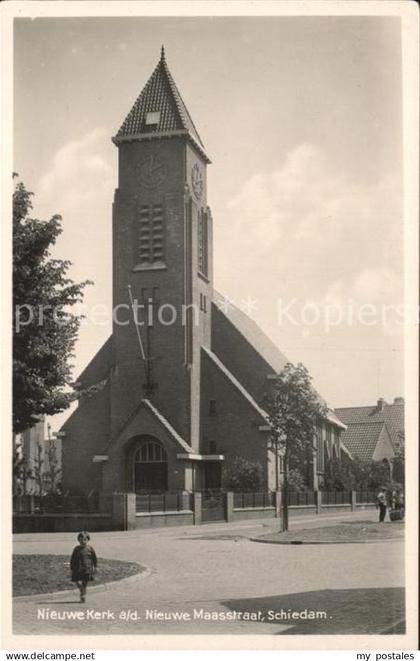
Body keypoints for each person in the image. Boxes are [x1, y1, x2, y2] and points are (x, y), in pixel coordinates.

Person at [70, 531, 98, 603]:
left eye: (85, 539)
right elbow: (72, 559)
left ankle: (83, 596)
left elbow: (94, 558)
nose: (83, 541)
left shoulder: (90, 549)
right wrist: (72, 568)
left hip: (87, 568)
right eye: (81, 539)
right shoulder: (76, 549)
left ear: (88, 540)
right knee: (77, 581)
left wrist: (95, 566)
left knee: (85, 583)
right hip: (78, 569)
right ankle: (81, 590)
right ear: (78, 540)